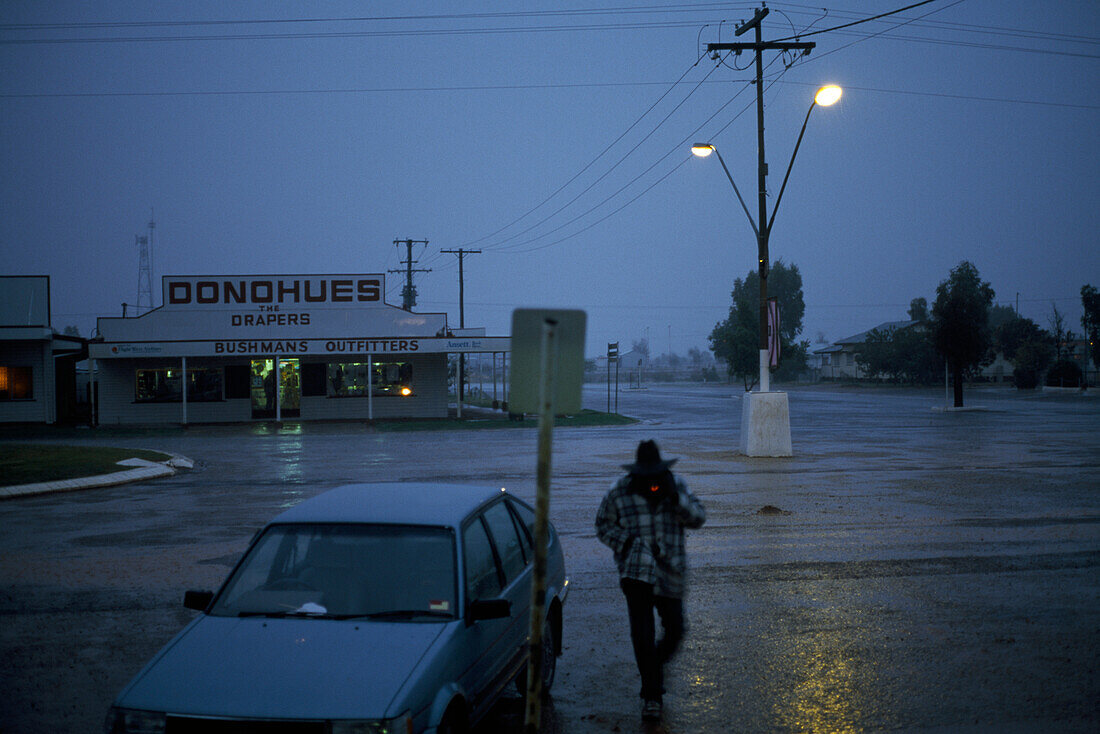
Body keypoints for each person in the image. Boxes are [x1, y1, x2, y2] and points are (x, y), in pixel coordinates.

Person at [595, 439, 706, 721]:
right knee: (642, 636)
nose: (651, 483)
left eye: (655, 478)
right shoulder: (619, 491)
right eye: (646, 478)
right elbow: (603, 525)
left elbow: (698, 518)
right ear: (636, 474)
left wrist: (676, 500)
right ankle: (652, 696)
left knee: (676, 630)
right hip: (635, 574)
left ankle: (652, 668)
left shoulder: (676, 485)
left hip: (671, 571)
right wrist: (628, 543)